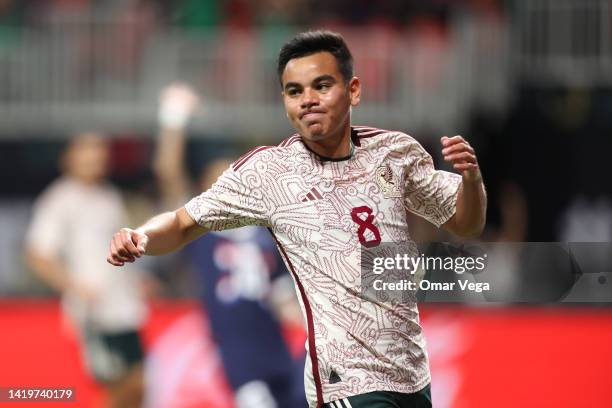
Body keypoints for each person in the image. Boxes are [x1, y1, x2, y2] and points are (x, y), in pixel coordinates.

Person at [108, 30, 486, 408]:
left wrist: (471, 179)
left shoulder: (394, 153)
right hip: (345, 383)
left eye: (321, 86)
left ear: (353, 90)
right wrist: (140, 236)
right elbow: (182, 222)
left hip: (413, 377)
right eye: (294, 91)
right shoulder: (269, 175)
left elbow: (466, 224)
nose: (307, 100)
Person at [152, 84, 308, 407]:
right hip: (239, 351)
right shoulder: (200, 229)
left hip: (275, 344)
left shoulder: (264, 228)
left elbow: (279, 292)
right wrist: (174, 120)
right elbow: (169, 174)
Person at [26, 132, 148, 408]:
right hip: (96, 314)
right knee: (116, 386)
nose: (96, 157)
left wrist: (137, 279)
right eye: (88, 151)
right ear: (70, 158)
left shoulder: (108, 196)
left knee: (139, 386)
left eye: (100, 151)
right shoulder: (60, 199)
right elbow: (37, 254)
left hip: (125, 308)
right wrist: (74, 285)